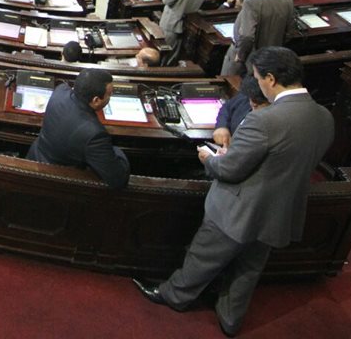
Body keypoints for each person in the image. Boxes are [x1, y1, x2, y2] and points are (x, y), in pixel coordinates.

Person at [136, 47, 334, 336]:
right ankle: (231, 319)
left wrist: (211, 159)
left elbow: (229, 170)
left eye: (257, 78)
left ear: (270, 78)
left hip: (237, 211)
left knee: (203, 257)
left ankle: (175, 296)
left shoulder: (264, 120)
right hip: (279, 212)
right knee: (249, 269)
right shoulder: (324, 116)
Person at [27, 68, 130, 189]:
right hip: (56, 181)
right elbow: (118, 180)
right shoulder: (94, 134)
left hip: (34, 157)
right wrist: (116, 150)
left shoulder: (60, 91)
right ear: (96, 100)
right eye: (109, 95)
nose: (110, 97)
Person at [220, 0, 295, 80]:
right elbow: (290, 33)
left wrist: (240, 55)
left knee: (229, 85)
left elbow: (247, 36)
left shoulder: (251, 2)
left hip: (248, 59)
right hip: (272, 58)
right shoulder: (287, 1)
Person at [212, 73, 268, 150]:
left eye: (259, 102)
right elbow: (227, 106)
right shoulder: (248, 95)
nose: (253, 104)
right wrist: (222, 126)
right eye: (251, 100)